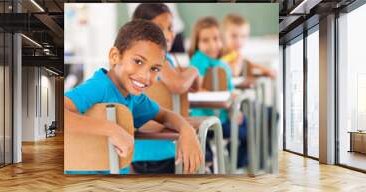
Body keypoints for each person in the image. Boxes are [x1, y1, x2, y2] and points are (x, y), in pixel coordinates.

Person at [64, 20, 203, 174]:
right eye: (138, 61)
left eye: (155, 69)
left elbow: (165, 115)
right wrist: (112, 130)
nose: (145, 76)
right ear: (115, 56)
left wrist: (187, 131)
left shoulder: (135, 98)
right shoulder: (100, 86)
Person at [130, 3, 201, 174]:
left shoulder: (133, 61)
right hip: (165, 152)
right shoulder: (158, 57)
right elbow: (177, 84)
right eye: (160, 28)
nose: (168, 34)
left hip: (136, 154)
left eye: (170, 27)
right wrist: (194, 70)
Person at [189, 17, 248, 170]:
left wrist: (234, 106)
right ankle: (235, 165)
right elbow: (197, 87)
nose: (212, 45)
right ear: (197, 43)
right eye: (205, 40)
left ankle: (236, 164)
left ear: (222, 41)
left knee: (249, 128)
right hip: (204, 120)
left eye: (216, 39)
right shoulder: (198, 60)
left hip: (221, 117)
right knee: (247, 133)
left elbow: (229, 91)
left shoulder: (223, 66)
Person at [221, 13, 276, 85]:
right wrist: (238, 59)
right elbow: (234, 72)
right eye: (234, 36)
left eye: (243, 36)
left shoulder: (235, 54)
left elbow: (249, 64)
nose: (238, 41)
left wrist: (265, 70)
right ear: (223, 35)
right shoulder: (220, 53)